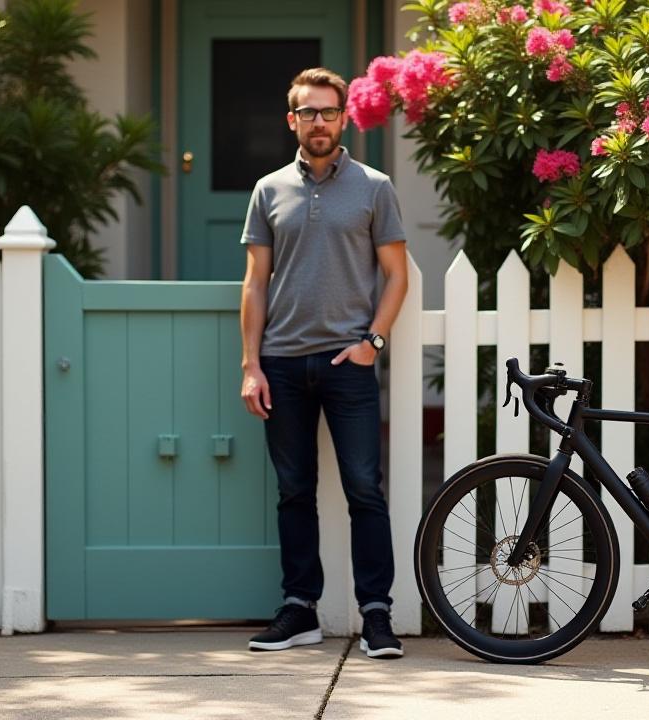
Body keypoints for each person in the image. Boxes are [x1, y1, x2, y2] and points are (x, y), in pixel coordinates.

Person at [238, 67, 408, 659]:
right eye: (308, 112)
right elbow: (255, 283)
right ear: (293, 120)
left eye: (328, 112)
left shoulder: (374, 187)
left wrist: (373, 343)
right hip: (282, 363)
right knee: (293, 491)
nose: (318, 121)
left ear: (344, 118)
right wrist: (251, 365)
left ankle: (376, 614)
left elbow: (397, 275)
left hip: (348, 364)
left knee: (365, 490)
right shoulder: (268, 190)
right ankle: (299, 609)